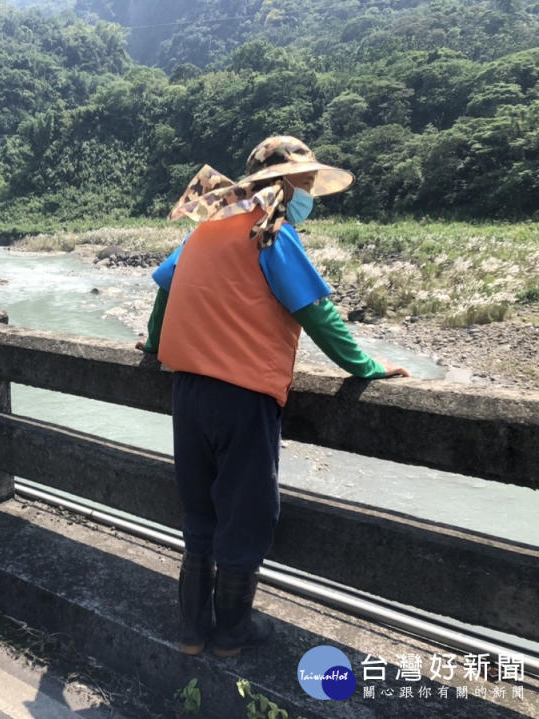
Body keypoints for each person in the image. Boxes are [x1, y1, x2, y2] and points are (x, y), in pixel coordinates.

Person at [153, 136, 410, 657]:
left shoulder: (208, 226)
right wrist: (366, 367)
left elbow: (165, 289)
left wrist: (156, 342)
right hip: (243, 396)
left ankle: (189, 631)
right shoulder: (272, 233)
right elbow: (316, 312)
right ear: (288, 185)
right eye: (305, 183)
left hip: (187, 391)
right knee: (247, 512)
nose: (309, 193)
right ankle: (230, 632)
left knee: (199, 508)